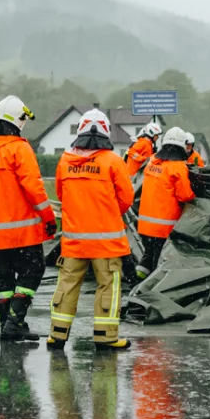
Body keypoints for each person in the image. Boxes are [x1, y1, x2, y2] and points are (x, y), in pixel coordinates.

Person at [48, 108, 134, 349]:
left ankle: (57, 333)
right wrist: (105, 212)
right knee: (108, 285)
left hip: (74, 241)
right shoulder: (114, 162)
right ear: (106, 132)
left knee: (67, 283)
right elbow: (126, 199)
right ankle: (106, 337)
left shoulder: (65, 161)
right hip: (107, 242)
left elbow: (61, 194)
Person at [0, 95, 57, 341]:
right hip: (22, 231)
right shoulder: (19, 148)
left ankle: (6, 324)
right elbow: (34, 188)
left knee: (4, 276)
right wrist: (49, 218)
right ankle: (15, 322)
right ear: (18, 120)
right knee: (33, 270)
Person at [135, 127, 196, 280]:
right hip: (164, 227)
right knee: (159, 262)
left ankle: (137, 281)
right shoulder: (178, 167)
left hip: (144, 225)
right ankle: (151, 293)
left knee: (147, 255)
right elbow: (185, 196)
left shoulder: (152, 162)